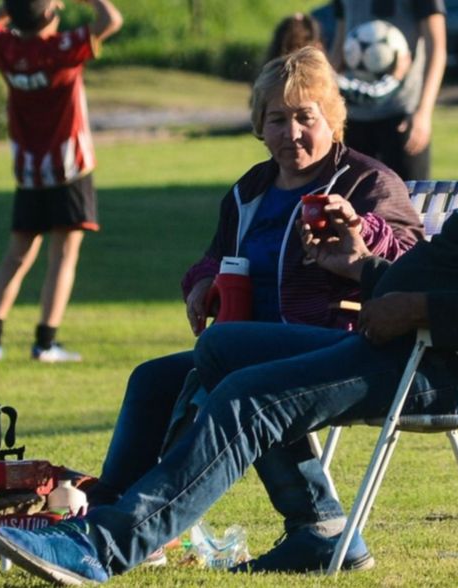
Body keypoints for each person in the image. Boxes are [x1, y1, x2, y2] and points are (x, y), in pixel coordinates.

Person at [0, 56, 458, 585]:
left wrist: (413, 305)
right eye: (276, 119)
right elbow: (440, 279)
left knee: (246, 397)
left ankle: (103, 547)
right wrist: (361, 271)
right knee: (223, 351)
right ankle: (319, 531)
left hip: (445, 365)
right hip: (411, 345)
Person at [86, 46, 422, 572]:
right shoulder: (251, 189)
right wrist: (202, 283)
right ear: (259, 128)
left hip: (336, 343)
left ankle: (131, 529)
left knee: (224, 364)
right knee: (153, 377)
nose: (291, 134)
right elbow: (215, 257)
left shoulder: (367, 182)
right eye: (277, 120)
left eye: (305, 117)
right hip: (248, 341)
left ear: (333, 119)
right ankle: (109, 509)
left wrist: (362, 232)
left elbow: (413, 261)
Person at [0, 0, 123, 363]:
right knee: (63, 256)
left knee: (17, 255)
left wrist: (14, 6)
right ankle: (45, 343)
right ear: (49, 14)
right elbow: (111, 20)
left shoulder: (5, 47)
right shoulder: (62, 48)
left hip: (28, 170)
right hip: (69, 167)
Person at [329, 0, 447, 181]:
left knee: (410, 198)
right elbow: (340, 44)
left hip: (402, 114)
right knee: (353, 200)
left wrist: (423, 112)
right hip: (352, 115)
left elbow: (437, 48)